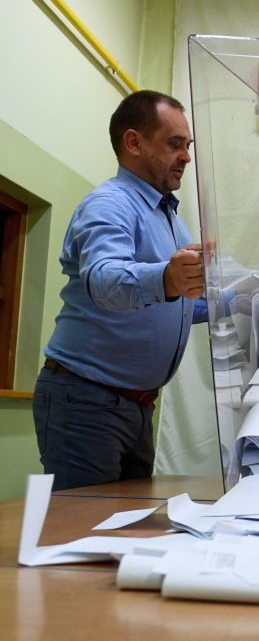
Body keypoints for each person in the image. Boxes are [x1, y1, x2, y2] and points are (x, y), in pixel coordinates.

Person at [33, 90, 206, 490]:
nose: (186, 157)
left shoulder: (170, 219)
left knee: (127, 523)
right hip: (86, 402)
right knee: (82, 525)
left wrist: (247, 299)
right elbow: (105, 281)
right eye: (175, 144)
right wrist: (168, 278)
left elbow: (178, 305)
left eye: (188, 146)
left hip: (135, 406)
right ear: (134, 142)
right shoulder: (109, 204)